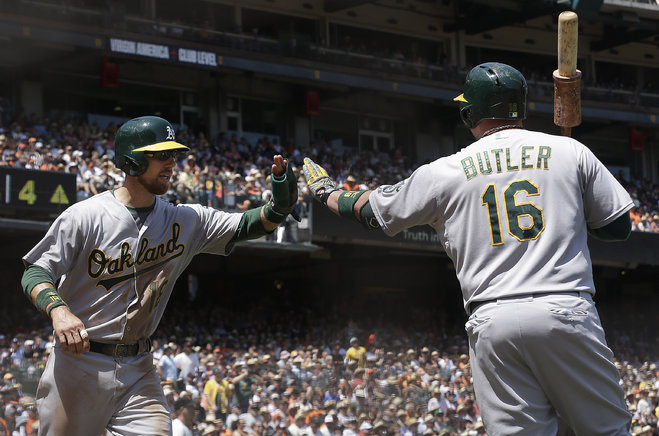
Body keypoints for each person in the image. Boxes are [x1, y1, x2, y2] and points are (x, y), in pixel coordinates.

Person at [303, 63, 634, 435]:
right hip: (565, 308)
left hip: (492, 320)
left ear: (469, 113)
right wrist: (572, 212)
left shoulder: (445, 170)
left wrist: (326, 191)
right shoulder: (570, 151)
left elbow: (372, 213)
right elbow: (618, 227)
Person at [20, 115, 300, 436]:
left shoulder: (185, 219)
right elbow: (36, 270)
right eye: (162, 155)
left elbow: (250, 224)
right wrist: (59, 310)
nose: (172, 163)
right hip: (78, 364)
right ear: (133, 161)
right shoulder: (86, 215)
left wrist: (281, 200)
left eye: (174, 156)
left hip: (139, 368)